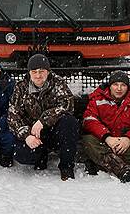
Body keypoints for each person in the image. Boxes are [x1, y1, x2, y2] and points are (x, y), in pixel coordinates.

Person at [8, 53, 78, 181]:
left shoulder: (58, 83)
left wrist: (43, 120)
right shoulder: (20, 87)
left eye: (42, 71)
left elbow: (67, 106)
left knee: (70, 122)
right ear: (29, 72)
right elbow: (13, 116)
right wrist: (27, 136)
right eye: (34, 72)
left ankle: (66, 166)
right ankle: (40, 154)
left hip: (53, 131)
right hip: (33, 134)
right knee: (21, 155)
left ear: (48, 71)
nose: (38, 75)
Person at [81, 70, 130, 182]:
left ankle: (102, 163)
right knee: (88, 141)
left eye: (123, 85)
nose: (119, 88)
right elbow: (89, 120)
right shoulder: (97, 99)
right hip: (105, 142)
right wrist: (107, 137)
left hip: (127, 145)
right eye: (115, 84)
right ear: (110, 86)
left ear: (127, 87)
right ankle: (121, 169)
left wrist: (128, 139)